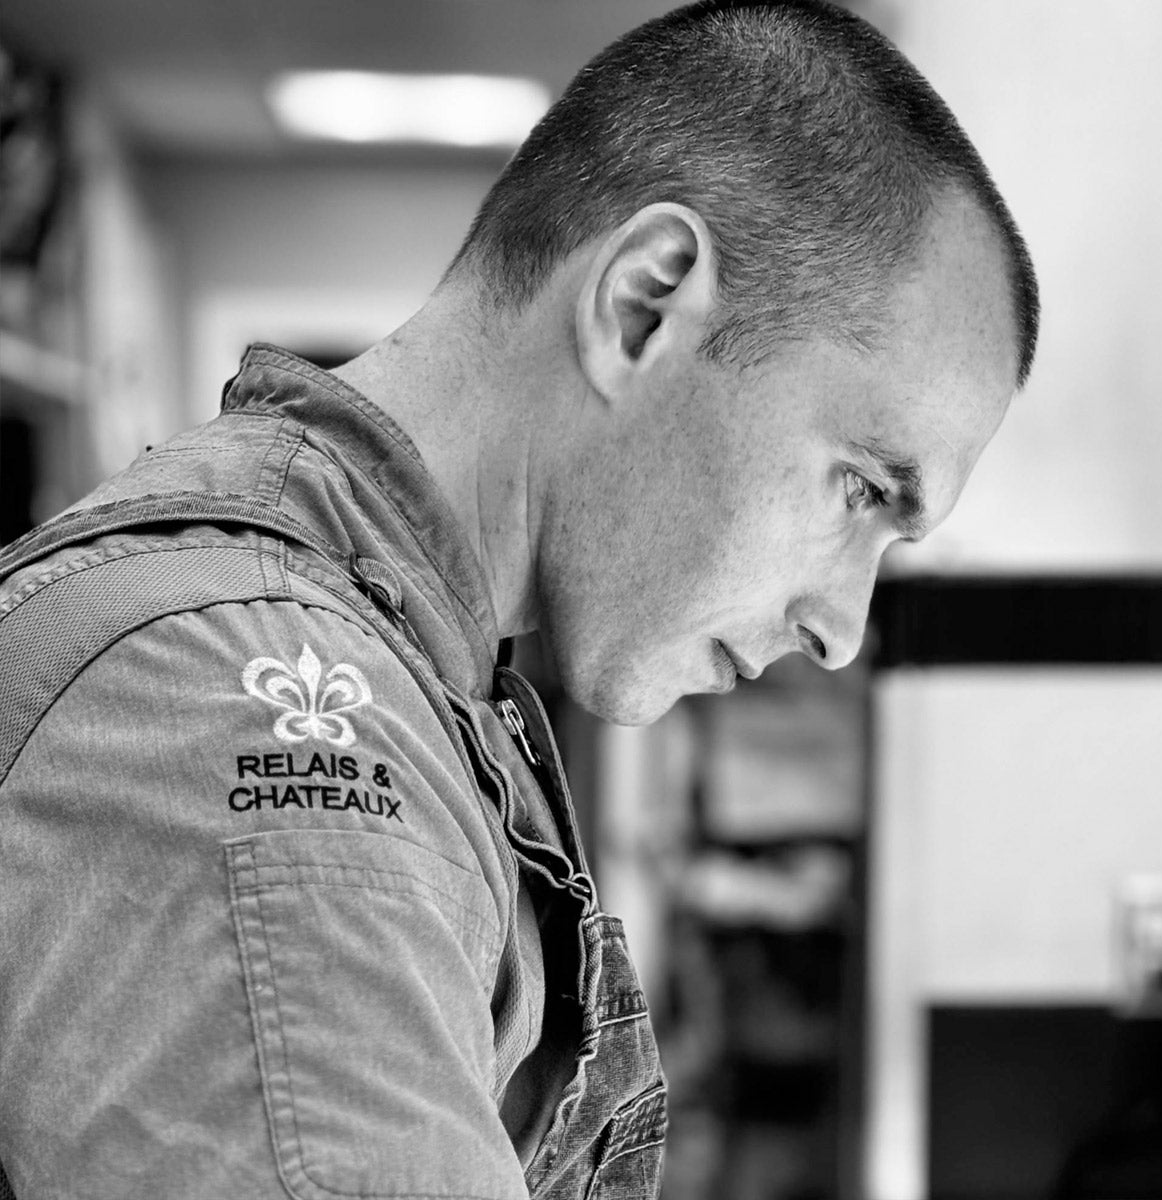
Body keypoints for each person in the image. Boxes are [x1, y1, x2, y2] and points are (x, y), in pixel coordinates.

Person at [0, 1, 1039, 1196]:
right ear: (645, 304)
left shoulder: (409, 673)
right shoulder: (243, 711)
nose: (842, 630)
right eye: (860, 487)